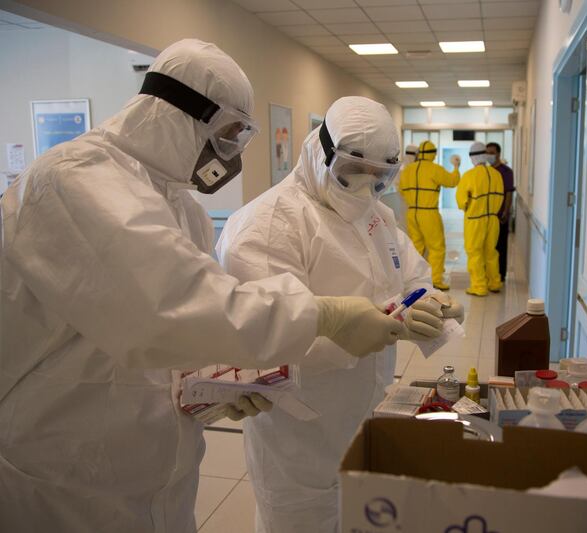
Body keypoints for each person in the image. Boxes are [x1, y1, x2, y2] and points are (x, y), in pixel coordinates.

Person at [0, 40, 402, 533]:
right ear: (177, 114)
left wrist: (211, 387)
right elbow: (170, 308)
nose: (230, 156)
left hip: (159, 472)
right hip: (60, 474)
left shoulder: (182, 208)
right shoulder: (73, 179)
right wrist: (327, 315)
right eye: (229, 135)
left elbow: (176, 344)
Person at [216, 96, 465, 533]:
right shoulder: (268, 225)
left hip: (366, 411)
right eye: (352, 174)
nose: (366, 190)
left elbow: (410, 276)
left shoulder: (378, 216)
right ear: (321, 150)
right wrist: (362, 328)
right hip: (299, 435)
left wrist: (430, 302)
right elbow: (263, 337)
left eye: (380, 178)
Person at [398, 139, 461, 290]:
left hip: (412, 212)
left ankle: (414, 279)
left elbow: (401, 189)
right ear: (433, 154)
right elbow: (452, 181)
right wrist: (456, 167)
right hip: (429, 213)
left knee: (416, 247)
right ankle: (435, 280)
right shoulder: (435, 169)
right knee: (436, 247)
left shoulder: (408, 169)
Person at [456, 141, 506, 296]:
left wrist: (469, 206)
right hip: (493, 219)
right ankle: (494, 283)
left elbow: (461, 201)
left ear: (473, 158)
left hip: (475, 220)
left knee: (475, 252)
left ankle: (479, 286)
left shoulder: (469, 176)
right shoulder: (497, 174)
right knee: (491, 252)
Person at [485, 142, 515, 282]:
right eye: (487, 153)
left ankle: (500, 275)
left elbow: (509, 193)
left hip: (500, 215)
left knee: (500, 246)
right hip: (486, 216)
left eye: (492, 152)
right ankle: (488, 274)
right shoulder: (485, 171)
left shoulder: (506, 172)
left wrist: (505, 212)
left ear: (498, 153)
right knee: (487, 247)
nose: (489, 155)